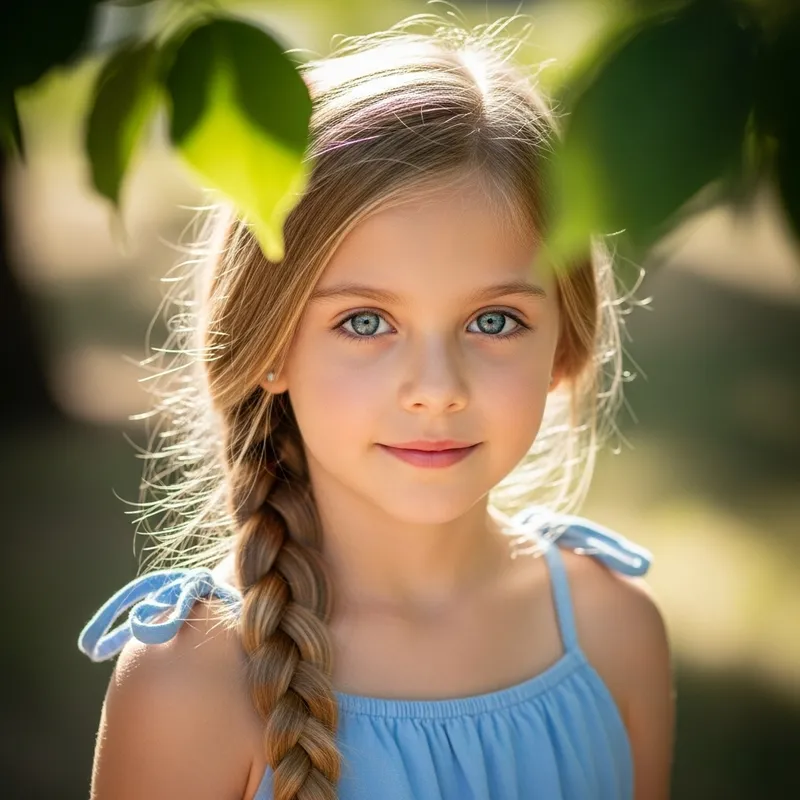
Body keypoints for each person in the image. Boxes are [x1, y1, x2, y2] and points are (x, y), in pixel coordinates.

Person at [77, 12, 674, 800]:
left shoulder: (614, 632)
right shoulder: (188, 685)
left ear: (564, 348)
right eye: (366, 322)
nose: (436, 386)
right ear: (270, 348)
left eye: (494, 321)